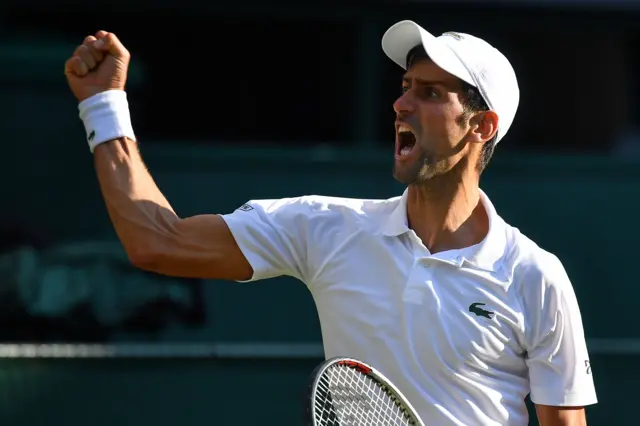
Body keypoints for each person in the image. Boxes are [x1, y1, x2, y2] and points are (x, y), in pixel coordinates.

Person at [64, 20, 597, 426]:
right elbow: (158, 241)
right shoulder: (326, 228)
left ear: (481, 127)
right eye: (406, 85)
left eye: (430, 93)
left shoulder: (536, 277)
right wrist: (104, 106)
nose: (400, 103)